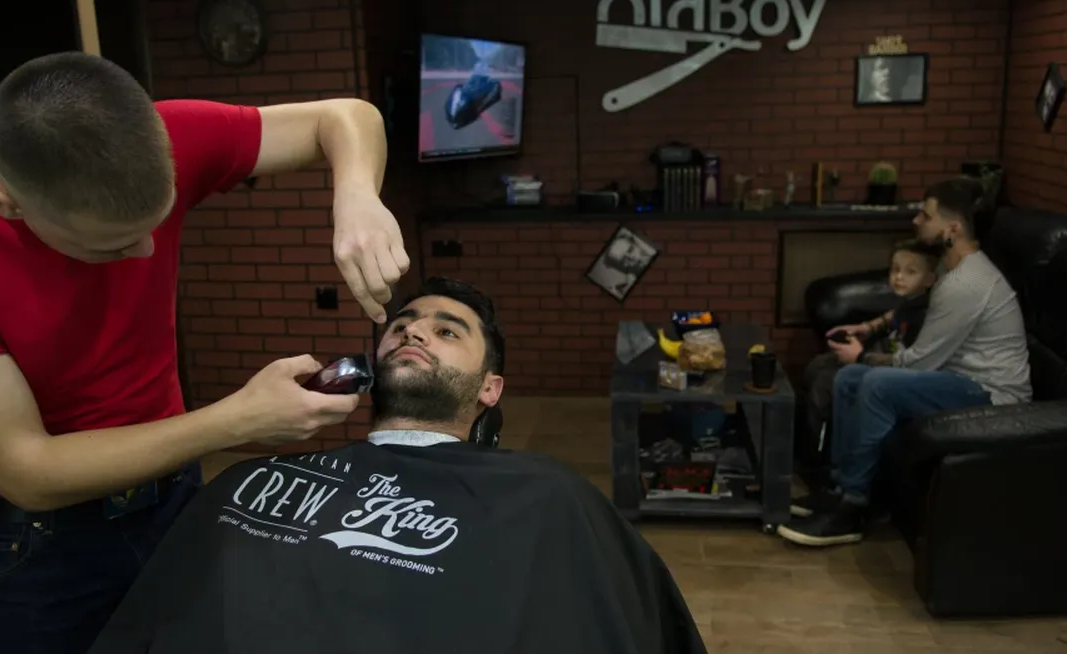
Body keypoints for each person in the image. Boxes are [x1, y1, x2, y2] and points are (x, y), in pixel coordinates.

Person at [0, 52, 410, 653]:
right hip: (42, 546)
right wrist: (238, 421)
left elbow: (346, 116)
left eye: (158, 220)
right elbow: (27, 469)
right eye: (114, 246)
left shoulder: (172, 132)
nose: (148, 253)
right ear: (9, 206)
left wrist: (356, 197)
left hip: (173, 494)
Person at [86, 277, 707, 654]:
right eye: (402, 326)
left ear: (489, 388)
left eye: (447, 332)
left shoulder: (548, 495)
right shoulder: (252, 478)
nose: (413, 334)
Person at [779, 178, 1031, 547]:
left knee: (875, 382)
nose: (916, 221)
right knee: (849, 378)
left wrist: (862, 355)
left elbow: (915, 366)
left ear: (952, 229)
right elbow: (909, 310)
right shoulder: (949, 268)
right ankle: (838, 488)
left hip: (990, 394)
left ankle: (854, 506)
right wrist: (869, 329)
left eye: (926, 216)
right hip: (956, 378)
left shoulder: (967, 284)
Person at [797, 238, 939, 468]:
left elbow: (910, 363)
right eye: (894, 269)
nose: (899, 277)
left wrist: (861, 356)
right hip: (880, 354)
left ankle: (818, 456)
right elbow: (892, 317)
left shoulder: (926, 315)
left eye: (910, 272)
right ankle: (805, 442)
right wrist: (866, 328)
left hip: (892, 371)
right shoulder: (908, 302)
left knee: (826, 381)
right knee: (818, 364)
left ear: (930, 279)